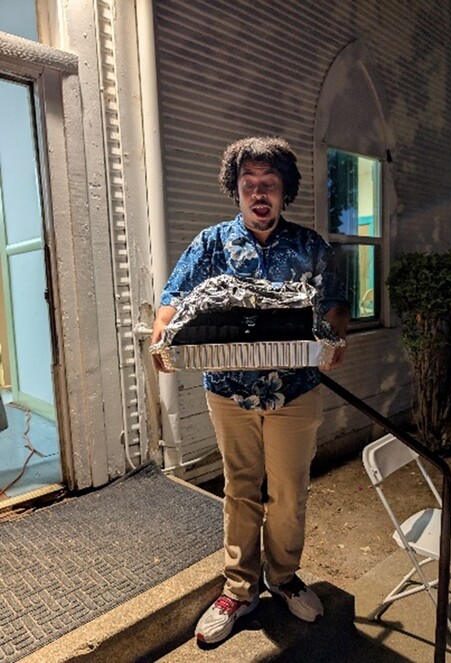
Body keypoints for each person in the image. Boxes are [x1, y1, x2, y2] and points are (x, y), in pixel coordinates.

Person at [151, 136, 349, 645]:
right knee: (240, 489)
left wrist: (335, 338)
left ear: (285, 190)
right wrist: (161, 334)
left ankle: (282, 577)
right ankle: (239, 590)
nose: (259, 194)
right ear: (235, 190)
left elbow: (334, 304)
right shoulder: (211, 244)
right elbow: (174, 296)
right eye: (249, 184)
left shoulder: (310, 246)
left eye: (269, 184)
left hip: (296, 390)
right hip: (228, 390)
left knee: (289, 492)